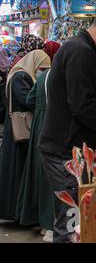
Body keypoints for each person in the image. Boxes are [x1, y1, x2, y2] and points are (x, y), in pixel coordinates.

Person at [38, 10, 96, 243]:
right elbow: (81, 104)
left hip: (70, 149)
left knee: (75, 216)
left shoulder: (81, 49)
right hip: (65, 151)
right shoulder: (80, 51)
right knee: (71, 220)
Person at [15, 42, 61, 243]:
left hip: (39, 129)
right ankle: (52, 225)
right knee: (55, 178)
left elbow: (31, 99)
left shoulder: (42, 78)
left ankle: (45, 225)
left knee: (41, 176)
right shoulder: (62, 78)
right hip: (55, 130)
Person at [0, 50, 51, 222]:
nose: (43, 72)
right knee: (17, 171)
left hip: (18, 128)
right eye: (42, 68)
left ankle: (18, 212)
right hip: (19, 130)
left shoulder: (19, 74)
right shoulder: (21, 76)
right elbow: (27, 100)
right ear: (34, 64)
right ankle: (16, 212)